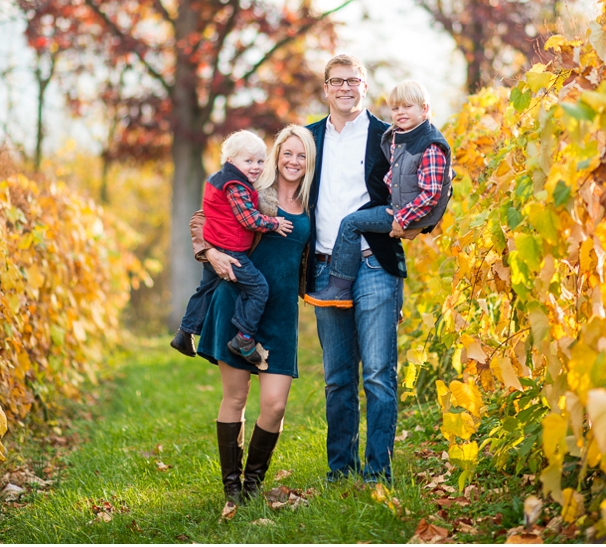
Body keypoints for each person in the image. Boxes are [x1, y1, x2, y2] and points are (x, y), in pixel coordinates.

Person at [304, 54, 432, 484]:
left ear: (363, 85)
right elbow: (278, 191)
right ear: (326, 89)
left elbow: (429, 181)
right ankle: (340, 470)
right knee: (338, 378)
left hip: (375, 262)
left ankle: (379, 473)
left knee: (378, 374)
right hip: (324, 268)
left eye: (352, 81)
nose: (344, 88)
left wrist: (417, 224)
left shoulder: (389, 135)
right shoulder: (307, 139)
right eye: (336, 81)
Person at [190, 125, 316, 505]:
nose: (293, 161)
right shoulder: (252, 189)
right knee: (236, 397)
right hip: (238, 301)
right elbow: (202, 219)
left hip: (280, 313)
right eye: (287, 153)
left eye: (301, 155)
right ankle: (233, 487)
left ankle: (253, 481)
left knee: (275, 404)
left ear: (310, 162)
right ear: (276, 156)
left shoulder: (315, 201)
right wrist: (209, 253)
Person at [304, 80, 452, 308]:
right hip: (397, 207)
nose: (400, 112)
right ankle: (381, 300)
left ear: (424, 109)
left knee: (351, 222)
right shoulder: (401, 136)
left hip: (400, 213)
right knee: (355, 220)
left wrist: (402, 219)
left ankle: (339, 288)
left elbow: (432, 193)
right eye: (395, 108)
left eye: (407, 107)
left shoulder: (429, 145)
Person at [170, 130, 293, 365]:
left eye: (260, 161)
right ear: (231, 161)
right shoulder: (236, 185)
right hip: (231, 250)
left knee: (206, 288)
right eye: (248, 161)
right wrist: (274, 223)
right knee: (258, 289)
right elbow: (249, 219)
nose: (256, 166)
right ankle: (244, 337)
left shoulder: (219, 178)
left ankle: (184, 332)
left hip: (219, 243)